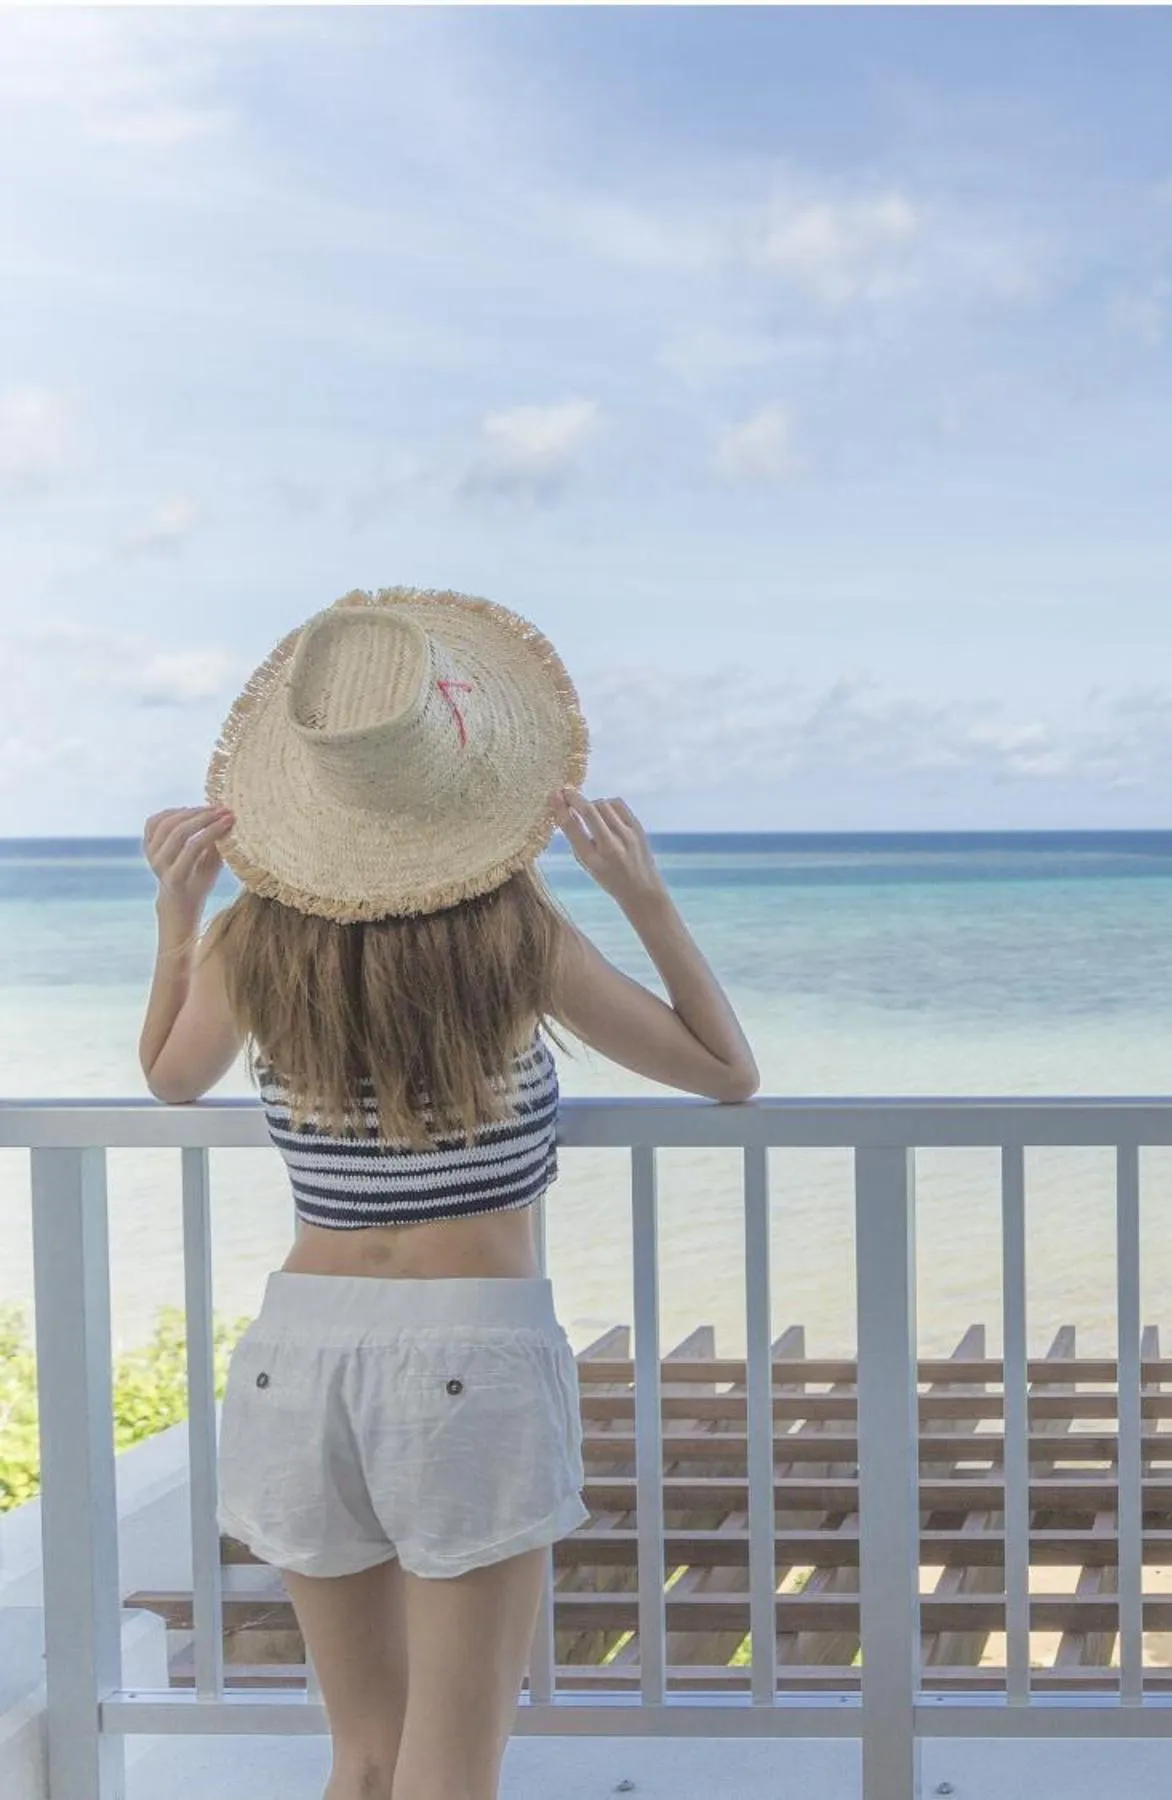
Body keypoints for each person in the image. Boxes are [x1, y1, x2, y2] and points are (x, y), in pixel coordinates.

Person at [135, 587, 758, 1800]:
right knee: (451, 1772)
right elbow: (724, 1072)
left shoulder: (254, 941)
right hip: (470, 1348)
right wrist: (646, 898)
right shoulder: (513, 934)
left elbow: (168, 1080)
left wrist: (179, 913)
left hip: (294, 1354)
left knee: (362, 1759)